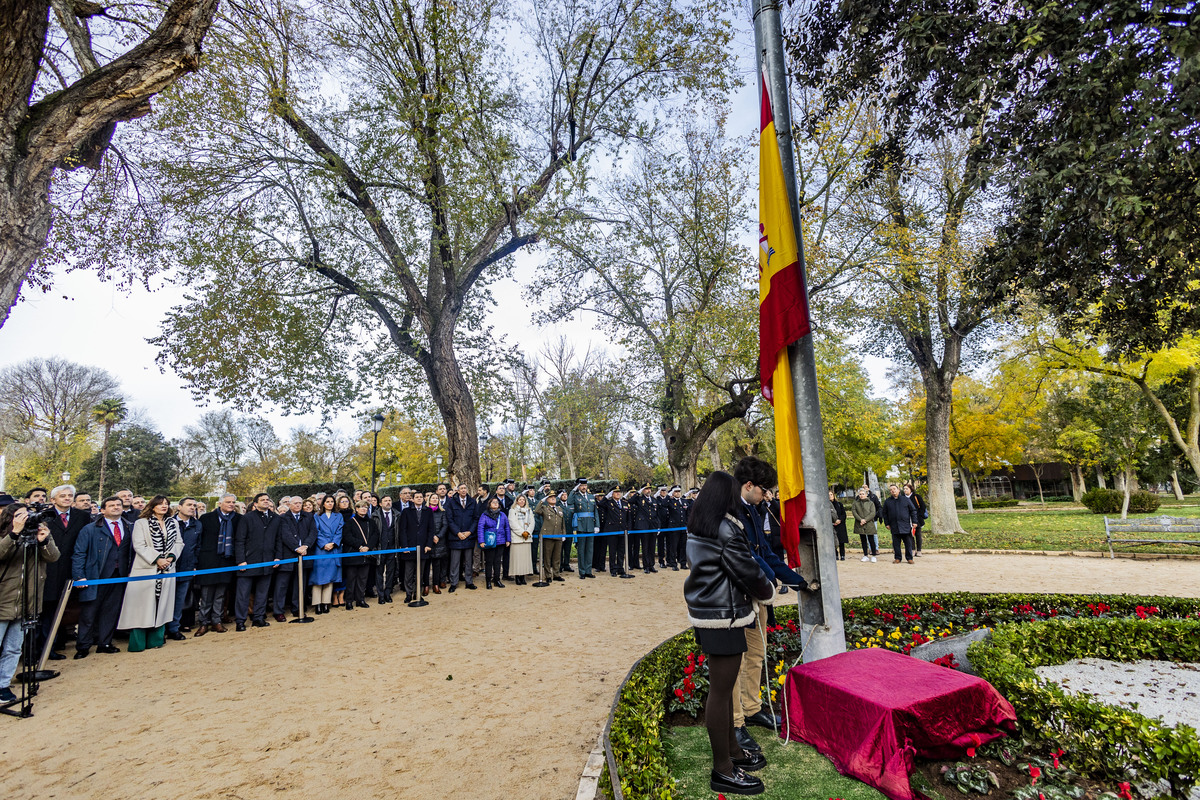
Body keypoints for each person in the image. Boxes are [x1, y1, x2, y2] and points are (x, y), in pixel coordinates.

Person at [683, 470, 773, 796]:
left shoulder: (704, 524)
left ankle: (733, 752)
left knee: (722, 690)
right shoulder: (725, 528)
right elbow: (745, 569)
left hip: (713, 614)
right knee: (720, 695)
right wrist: (767, 589)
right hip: (725, 615)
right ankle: (722, 769)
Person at [730, 457, 815, 754]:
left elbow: (765, 552)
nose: (768, 496)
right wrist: (770, 580)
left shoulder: (753, 509)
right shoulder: (730, 511)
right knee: (734, 662)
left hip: (757, 595)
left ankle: (752, 708)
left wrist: (797, 581)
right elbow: (746, 558)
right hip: (736, 598)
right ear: (749, 485)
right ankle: (736, 722)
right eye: (765, 490)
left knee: (757, 653)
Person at [0, 503, 59, 702]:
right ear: (10, 518)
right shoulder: (5, 536)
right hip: (3, 601)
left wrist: (44, 541)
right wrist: (14, 534)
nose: (25, 519)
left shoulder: (36, 537)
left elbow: (54, 557)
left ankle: (3, 685)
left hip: (28, 603)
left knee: (14, 649)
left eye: (28, 515)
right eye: (20, 516)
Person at [117, 495, 183, 651]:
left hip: (167, 569)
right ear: (152, 506)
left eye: (166, 504)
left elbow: (179, 542)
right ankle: (138, 644)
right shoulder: (141, 523)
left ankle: (156, 641)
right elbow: (139, 545)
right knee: (141, 608)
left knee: (162, 606)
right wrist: (157, 559)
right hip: (146, 569)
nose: (164, 506)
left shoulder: (172, 522)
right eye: (160, 504)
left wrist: (170, 558)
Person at [72, 496, 133, 657]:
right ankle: (83, 646)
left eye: (118, 505)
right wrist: (79, 576)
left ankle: (105, 643)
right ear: (103, 510)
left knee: (111, 611)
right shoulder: (90, 529)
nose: (116, 507)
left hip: (119, 577)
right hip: (95, 576)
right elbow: (79, 553)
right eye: (111, 505)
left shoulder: (130, 527)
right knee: (89, 614)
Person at [40, 483, 89, 659]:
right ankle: (45, 650)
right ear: (53, 500)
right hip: (48, 570)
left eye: (70, 495)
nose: (67, 498)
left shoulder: (82, 516)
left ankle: (59, 643)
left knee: (66, 610)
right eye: (63, 496)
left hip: (72, 568)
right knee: (48, 612)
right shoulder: (44, 516)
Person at [194, 494, 239, 636]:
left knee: (220, 594)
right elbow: (199, 540)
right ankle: (203, 623)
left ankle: (217, 621)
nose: (231, 504)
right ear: (220, 503)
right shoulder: (206, 518)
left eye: (233, 502)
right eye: (228, 502)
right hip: (208, 561)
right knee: (206, 595)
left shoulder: (238, 519)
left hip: (227, 561)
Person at [233, 493, 279, 630]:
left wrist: (278, 556)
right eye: (262, 500)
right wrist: (241, 560)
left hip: (267, 561)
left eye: (267, 500)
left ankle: (258, 618)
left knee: (262, 593)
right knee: (243, 594)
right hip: (248, 562)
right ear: (255, 504)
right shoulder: (246, 518)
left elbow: (278, 539)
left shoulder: (275, 518)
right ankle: (240, 621)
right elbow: (239, 540)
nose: (265, 502)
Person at [276, 496, 317, 616]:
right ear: (289, 504)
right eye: (295, 503)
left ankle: (297, 609)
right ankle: (279, 611)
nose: (298, 505)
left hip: (304, 555)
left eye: (300, 503)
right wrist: (297, 547)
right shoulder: (283, 518)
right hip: (287, 556)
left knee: (299, 586)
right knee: (282, 586)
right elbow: (285, 535)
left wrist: (306, 546)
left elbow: (313, 532)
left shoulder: (308, 516)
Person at [166, 497, 201, 638]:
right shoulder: (168, 522)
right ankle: (161, 629)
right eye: (189, 505)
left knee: (180, 601)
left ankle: (174, 628)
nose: (192, 507)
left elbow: (198, 547)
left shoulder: (198, 525)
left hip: (186, 568)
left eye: (194, 505)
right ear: (179, 507)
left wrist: (194, 565)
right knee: (164, 601)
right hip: (167, 568)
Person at [310, 495, 343, 614]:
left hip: (334, 549)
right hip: (321, 550)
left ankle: (326, 603)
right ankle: (317, 604)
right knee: (318, 577)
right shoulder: (317, 516)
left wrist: (333, 543)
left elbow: (340, 530)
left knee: (330, 577)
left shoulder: (339, 516)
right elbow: (316, 531)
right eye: (327, 502)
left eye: (332, 502)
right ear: (323, 504)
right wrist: (324, 544)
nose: (330, 503)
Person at [399, 492, 433, 603]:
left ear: (423, 499)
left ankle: (417, 593)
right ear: (412, 499)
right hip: (410, 547)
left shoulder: (428, 511)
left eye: (420, 497)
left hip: (423, 548)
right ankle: (408, 594)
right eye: (416, 497)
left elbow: (431, 529)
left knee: (420, 573)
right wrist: (404, 546)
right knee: (408, 573)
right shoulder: (406, 512)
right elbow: (402, 530)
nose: (419, 499)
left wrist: (428, 545)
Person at [342, 501, 375, 610]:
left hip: (366, 555)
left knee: (363, 579)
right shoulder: (350, 522)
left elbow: (375, 535)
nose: (363, 509)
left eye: (366, 507)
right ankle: (349, 601)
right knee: (351, 579)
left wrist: (368, 547)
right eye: (361, 507)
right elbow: (347, 537)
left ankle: (360, 599)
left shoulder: (371, 522)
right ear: (356, 509)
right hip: (353, 555)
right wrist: (360, 546)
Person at [446, 484, 478, 592]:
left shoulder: (472, 502)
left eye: (465, 488)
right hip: (455, 537)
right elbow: (449, 519)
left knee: (469, 561)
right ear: (458, 491)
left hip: (469, 536)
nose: (464, 490)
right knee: (455, 562)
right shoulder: (451, 502)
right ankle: (453, 583)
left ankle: (469, 582)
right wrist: (458, 532)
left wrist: (469, 532)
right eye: (462, 489)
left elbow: (475, 518)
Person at [598, 486, 633, 579]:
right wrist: (606, 497)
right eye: (616, 492)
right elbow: (600, 504)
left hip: (622, 530)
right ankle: (613, 569)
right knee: (612, 551)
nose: (618, 493)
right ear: (612, 494)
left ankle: (620, 568)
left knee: (621, 551)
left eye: (619, 492)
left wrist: (628, 529)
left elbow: (629, 518)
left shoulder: (625, 503)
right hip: (612, 530)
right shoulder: (609, 503)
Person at [476, 497, 510, 589]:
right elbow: (480, 528)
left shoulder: (502, 515)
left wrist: (508, 540)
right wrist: (481, 541)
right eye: (493, 502)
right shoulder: (485, 515)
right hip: (489, 541)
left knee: (498, 562)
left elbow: (507, 527)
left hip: (501, 541)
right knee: (489, 562)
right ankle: (488, 581)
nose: (495, 503)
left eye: (497, 502)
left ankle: (497, 580)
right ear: (489, 504)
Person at [565, 479, 595, 577]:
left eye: (585, 485)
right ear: (578, 487)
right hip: (581, 526)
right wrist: (573, 490)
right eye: (581, 485)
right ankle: (582, 572)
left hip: (590, 525)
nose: (584, 487)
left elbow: (596, 512)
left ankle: (588, 571)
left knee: (589, 550)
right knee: (581, 550)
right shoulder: (576, 496)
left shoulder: (591, 496)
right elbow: (569, 502)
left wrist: (597, 525)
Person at [882, 483, 918, 564]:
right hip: (894, 526)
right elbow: (885, 513)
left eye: (894, 489)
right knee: (896, 544)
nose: (893, 491)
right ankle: (898, 558)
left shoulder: (905, 499)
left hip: (905, 525)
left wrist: (915, 522)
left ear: (898, 490)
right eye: (891, 490)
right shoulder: (888, 501)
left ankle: (909, 558)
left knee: (908, 543)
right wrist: (887, 523)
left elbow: (913, 511)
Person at [533, 492, 566, 582]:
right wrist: (541, 501)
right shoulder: (544, 508)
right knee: (547, 557)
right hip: (547, 535)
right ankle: (548, 575)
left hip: (558, 535)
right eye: (550, 497)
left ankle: (556, 574)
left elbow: (562, 523)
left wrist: (563, 534)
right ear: (547, 499)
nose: (553, 498)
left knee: (557, 557)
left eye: (554, 497)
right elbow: (536, 510)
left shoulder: (559, 508)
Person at [372, 495, 398, 603]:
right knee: (379, 571)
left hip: (393, 547)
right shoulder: (375, 516)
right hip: (380, 548)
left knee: (391, 571)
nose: (388, 502)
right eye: (385, 501)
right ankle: (380, 594)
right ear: (380, 503)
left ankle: (388, 593)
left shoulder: (397, 514)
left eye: (389, 500)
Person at [629, 485, 658, 574]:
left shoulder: (653, 500)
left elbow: (656, 514)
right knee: (645, 547)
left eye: (649, 489)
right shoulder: (639, 499)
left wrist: (658, 526)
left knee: (652, 547)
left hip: (652, 526)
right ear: (643, 490)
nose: (648, 490)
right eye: (646, 489)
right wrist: (638, 492)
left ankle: (651, 565)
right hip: (643, 526)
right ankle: (646, 566)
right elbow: (630, 501)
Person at [507, 494, 535, 585]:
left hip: (527, 538)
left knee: (525, 559)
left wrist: (528, 532)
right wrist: (522, 532)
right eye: (520, 499)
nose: (522, 501)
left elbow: (532, 522)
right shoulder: (512, 510)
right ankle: (517, 577)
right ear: (517, 501)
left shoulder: (529, 511)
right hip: (517, 538)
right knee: (517, 559)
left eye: (523, 500)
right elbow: (512, 523)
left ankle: (523, 577)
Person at [425, 493, 448, 594]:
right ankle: (425, 585)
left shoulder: (442, 512)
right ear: (429, 500)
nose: (435, 500)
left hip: (439, 542)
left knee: (437, 565)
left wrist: (438, 536)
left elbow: (445, 525)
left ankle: (436, 584)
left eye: (436, 498)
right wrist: (432, 536)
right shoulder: (424, 511)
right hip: (427, 541)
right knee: (426, 565)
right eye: (433, 498)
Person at [663, 486, 688, 570]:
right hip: (674, 527)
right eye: (676, 492)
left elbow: (687, 513)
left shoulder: (684, 501)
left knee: (683, 546)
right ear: (673, 493)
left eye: (679, 491)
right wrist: (669, 495)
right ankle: (673, 564)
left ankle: (683, 563)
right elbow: (663, 504)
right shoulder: (670, 501)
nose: (678, 493)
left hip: (683, 527)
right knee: (673, 547)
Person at [851, 487, 878, 562]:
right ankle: (865, 555)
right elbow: (854, 512)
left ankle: (873, 555)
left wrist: (865, 520)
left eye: (863, 494)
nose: (861, 495)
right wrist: (860, 520)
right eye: (860, 494)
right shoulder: (855, 503)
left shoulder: (871, 503)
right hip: (860, 523)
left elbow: (873, 513)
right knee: (863, 540)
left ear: (866, 494)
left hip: (869, 523)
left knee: (871, 539)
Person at [904, 483, 926, 556]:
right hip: (907, 519)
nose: (905, 490)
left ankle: (919, 550)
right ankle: (912, 549)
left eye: (907, 489)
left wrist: (919, 515)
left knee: (918, 535)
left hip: (917, 519)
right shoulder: (903, 498)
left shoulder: (916, 497)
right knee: (910, 535)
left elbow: (922, 507)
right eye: (904, 489)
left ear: (911, 489)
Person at [829, 490, 848, 561]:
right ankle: (835, 555)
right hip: (832, 525)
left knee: (841, 541)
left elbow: (844, 514)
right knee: (834, 541)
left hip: (840, 525)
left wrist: (839, 520)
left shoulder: (839, 504)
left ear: (833, 495)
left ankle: (842, 555)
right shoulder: (826, 505)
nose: (830, 496)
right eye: (828, 495)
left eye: (831, 494)